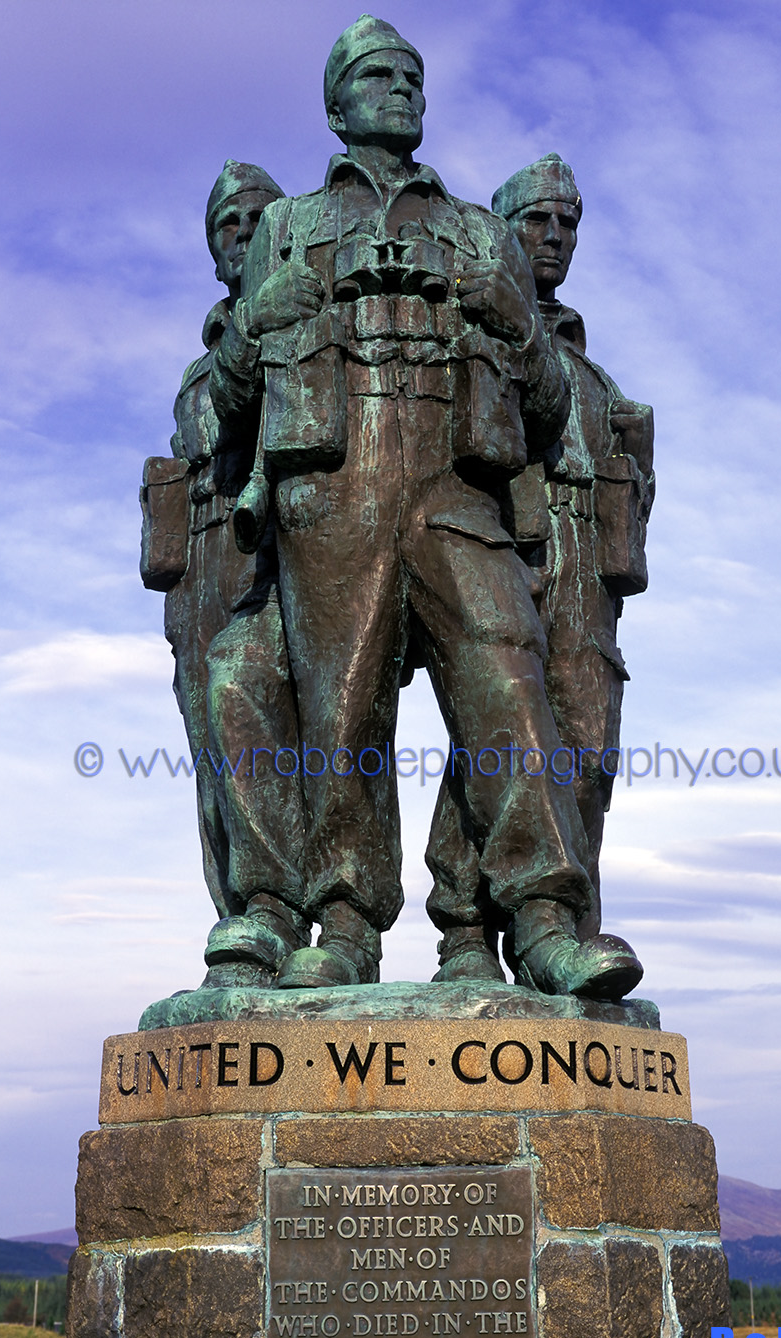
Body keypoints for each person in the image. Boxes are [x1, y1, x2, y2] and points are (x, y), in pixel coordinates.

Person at [210, 17, 639, 999]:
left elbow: (543, 398)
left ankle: (540, 917)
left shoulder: (479, 232)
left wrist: (512, 321)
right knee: (343, 707)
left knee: (509, 680)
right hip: (334, 480)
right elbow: (233, 394)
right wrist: (252, 332)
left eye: (410, 74)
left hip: (457, 484)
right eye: (374, 74)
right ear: (336, 102)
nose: (396, 86)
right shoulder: (288, 226)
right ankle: (347, 921)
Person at [426, 154, 653, 993]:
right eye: (536, 220)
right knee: (501, 739)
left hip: (586, 575)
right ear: (500, 230)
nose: (555, 236)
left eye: (568, 223)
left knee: (587, 753)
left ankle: (565, 928)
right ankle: (468, 927)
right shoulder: (472, 333)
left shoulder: (594, 374)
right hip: (505, 551)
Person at [140, 160, 310, 987]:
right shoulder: (198, 371)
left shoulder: (307, 323)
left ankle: (312, 925)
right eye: (227, 225)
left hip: (293, 545)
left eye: (256, 218)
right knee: (216, 756)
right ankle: (241, 924)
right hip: (206, 560)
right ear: (215, 250)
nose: (243, 234)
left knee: (318, 742)